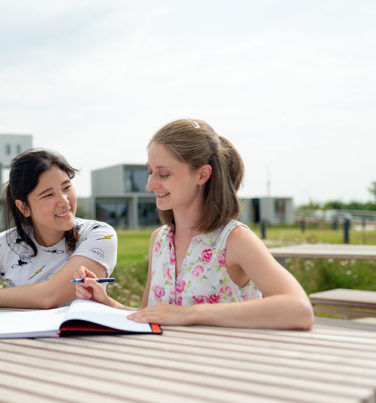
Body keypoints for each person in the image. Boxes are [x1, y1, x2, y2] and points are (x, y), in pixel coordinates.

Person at [74, 119, 314, 330]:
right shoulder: (159, 240)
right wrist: (106, 302)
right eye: (149, 172)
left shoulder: (235, 240)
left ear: (202, 175)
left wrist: (191, 314)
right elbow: (151, 315)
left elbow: (299, 309)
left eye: (163, 174)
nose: (150, 184)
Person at [0, 149, 117, 309]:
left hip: (85, 335)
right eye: (48, 195)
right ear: (23, 207)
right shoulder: (4, 245)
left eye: (66, 187)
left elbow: (49, 296)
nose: (64, 201)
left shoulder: (100, 235)